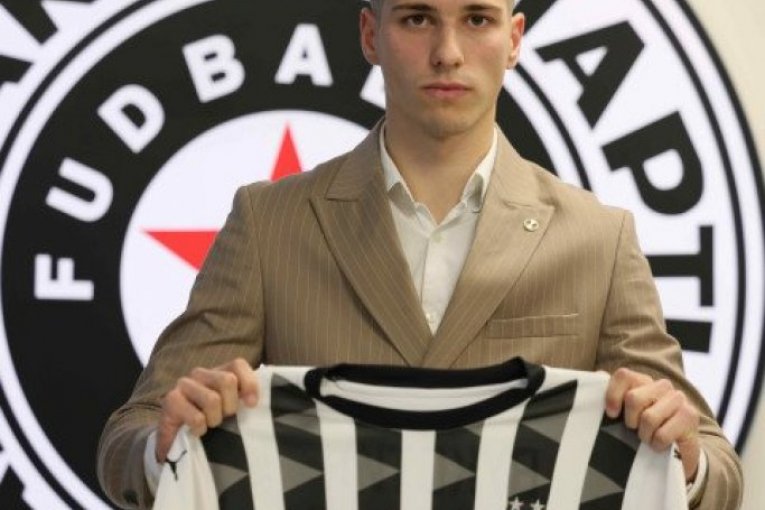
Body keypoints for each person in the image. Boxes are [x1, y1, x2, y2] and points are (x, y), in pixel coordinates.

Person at [97, 0, 743, 508]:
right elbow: (128, 441)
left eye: (477, 19)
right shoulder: (268, 224)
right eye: (417, 18)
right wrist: (165, 446)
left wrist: (682, 455)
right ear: (370, 34)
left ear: (514, 38)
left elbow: (717, 472)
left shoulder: (598, 238)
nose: (447, 52)